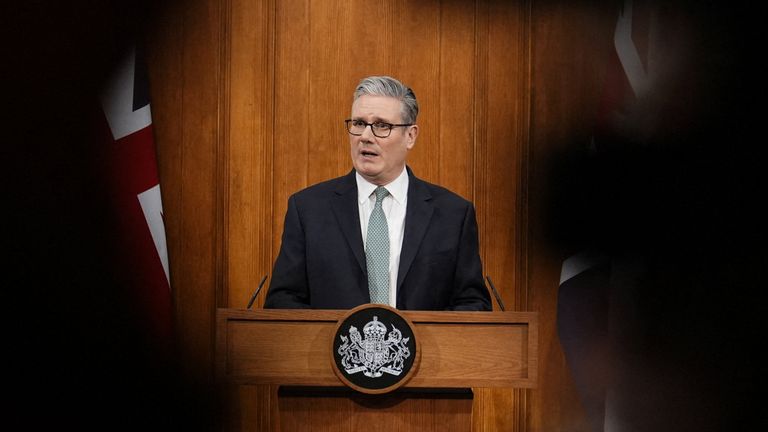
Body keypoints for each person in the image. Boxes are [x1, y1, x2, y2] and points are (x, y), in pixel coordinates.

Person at [264, 76, 490, 311]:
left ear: (410, 136)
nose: (365, 136)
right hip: (329, 347)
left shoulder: (453, 214)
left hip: (425, 348)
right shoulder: (309, 209)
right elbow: (283, 302)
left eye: (382, 126)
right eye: (359, 123)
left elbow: (473, 305)